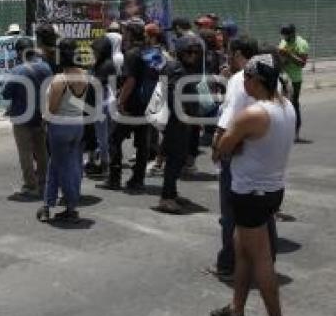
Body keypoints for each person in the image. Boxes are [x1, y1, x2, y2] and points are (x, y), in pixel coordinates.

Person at [210, 54, 296, 316]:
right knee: (242, 249)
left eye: (246, 77)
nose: (243, 81)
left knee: (259, 257)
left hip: (251, 193)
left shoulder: (254, 114)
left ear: (257, 81)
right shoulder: (286, 106)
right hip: (271, 190)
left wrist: (231, 139)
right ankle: (236, 308)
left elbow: (222, 147)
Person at [210, 37, 278, 279]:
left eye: (229, 52)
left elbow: (228, 120)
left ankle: (228, 264)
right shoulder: (273, 77)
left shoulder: (241, 79)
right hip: (267, 156)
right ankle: (267, 261)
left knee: (231, 211)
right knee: (263, 212)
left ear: (237, 53)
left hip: (239, 155)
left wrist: (217, 148)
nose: (227, 56)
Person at [37, 39, 88, 223]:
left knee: (58, 166)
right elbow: (77, 102)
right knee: (72, 165)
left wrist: (44, 120)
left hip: (60, 127)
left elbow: (52, 109)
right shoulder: (84, 75)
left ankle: (56, 205)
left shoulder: (60, 80)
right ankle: (63, 205)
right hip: (77, 124)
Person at [98, 22, 151, 191]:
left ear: (130, 34)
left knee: (114, 139)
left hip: (131, 104)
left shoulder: (131, 54)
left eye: (125, 32)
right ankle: (138, 178)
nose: (123, 35)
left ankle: (114, 178)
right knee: (142, 143)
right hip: (147, 104)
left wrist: (120, 101)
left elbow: (130, 80)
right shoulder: (152, 51)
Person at [155, 36, 201, 214]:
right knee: (175, 159)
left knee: (177, 158)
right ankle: (166, 198)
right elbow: (173, 94)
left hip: (182, 120)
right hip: (177, 121)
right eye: (189, 51)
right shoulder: (175, 67)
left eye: (196, 52)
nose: (193, 55)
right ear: (181, 51)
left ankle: (171, 193)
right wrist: (182, 116)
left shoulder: (181, 66)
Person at [3, 37, 52, 198]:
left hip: (21, 117)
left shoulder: (17, 71)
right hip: (40, 116)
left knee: (25, 153)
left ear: (19, 52)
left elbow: (6, 93)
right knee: (41, 151)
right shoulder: (45, 67)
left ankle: (30, 186)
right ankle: (44, 182)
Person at [85, 35, 117, 176]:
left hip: (103, 105)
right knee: (99, 136)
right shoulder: (99, 63)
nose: (93, 53)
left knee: (103, 138)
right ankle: (98, 162)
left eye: (96, 50)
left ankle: (105, 166)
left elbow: (100, 84)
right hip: (98, 104)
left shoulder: (107, 65)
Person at [278, 24, 308, 141]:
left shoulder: (302, 43)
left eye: (286, 35)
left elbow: (302, 63)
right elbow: (281, 60)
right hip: (283, 78)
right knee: (281, 105)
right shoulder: (283, 42)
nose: (284, 37)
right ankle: (283, 131)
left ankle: (296, 133)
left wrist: (289, 55)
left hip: (295, 79)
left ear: (292, 34)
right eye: (283, 35)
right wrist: (282, 58)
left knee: (294, 104)